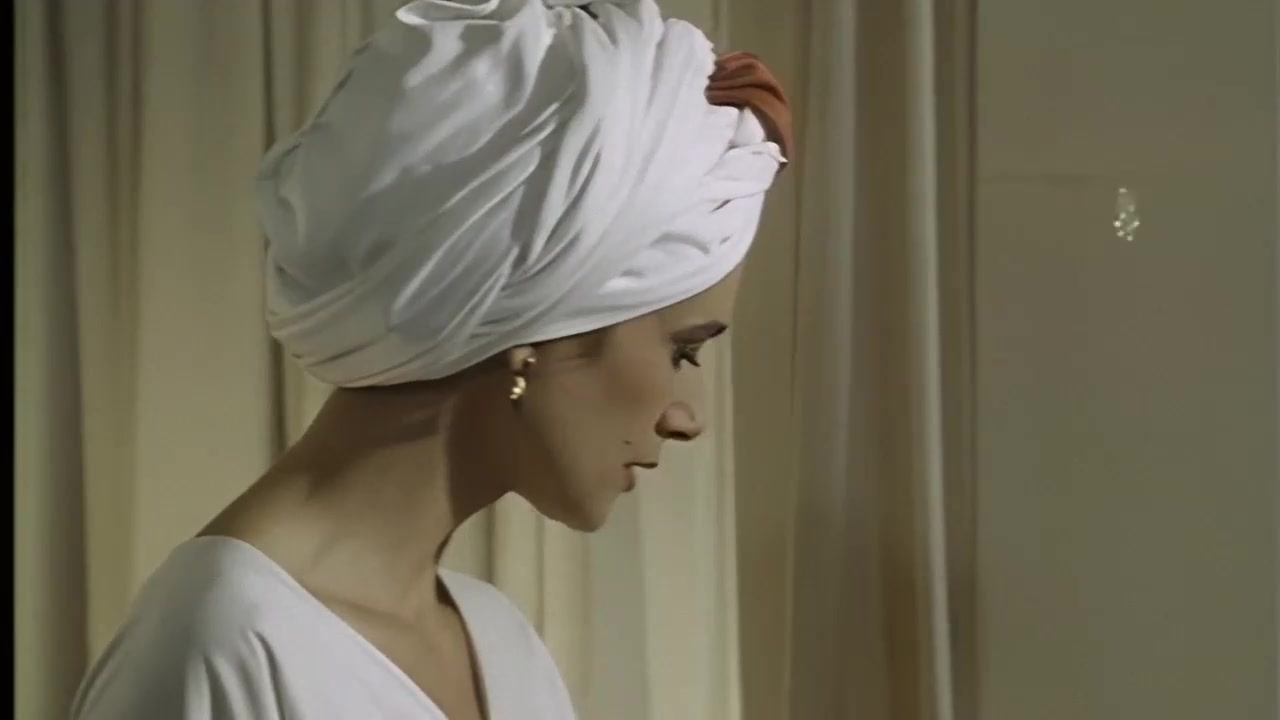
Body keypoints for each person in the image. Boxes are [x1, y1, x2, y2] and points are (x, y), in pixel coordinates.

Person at [69, 0, 792, 718]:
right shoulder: (224, 644)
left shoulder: (501, 641)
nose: (688, 418)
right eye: (682, 351)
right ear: (534, 330)